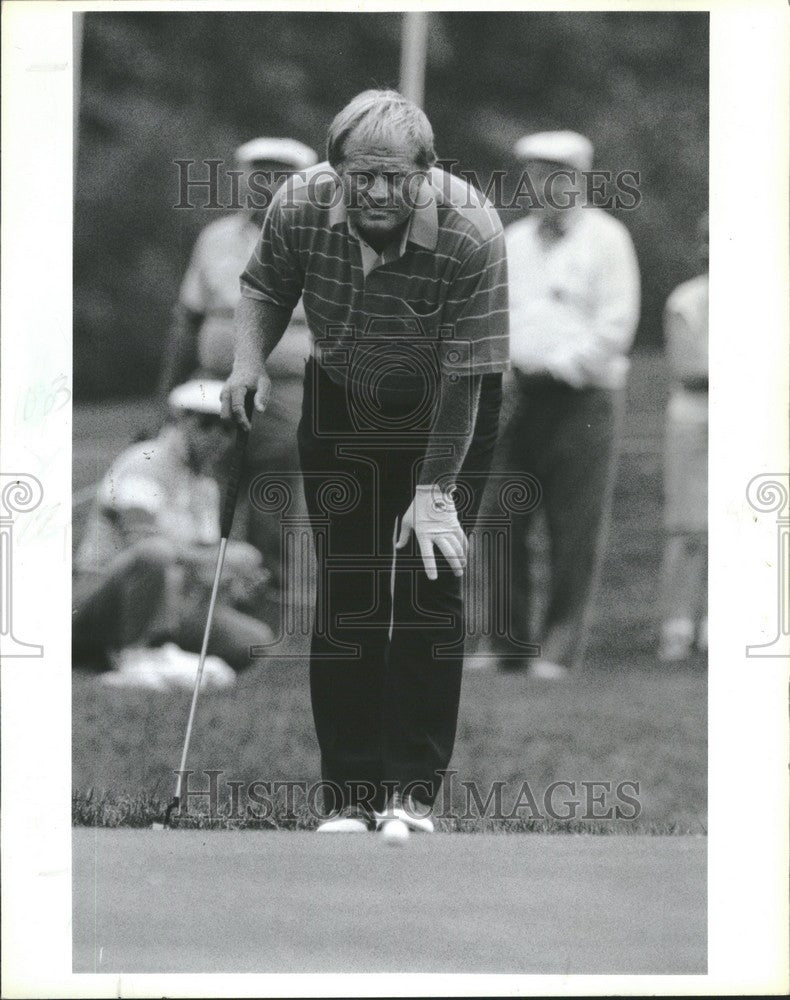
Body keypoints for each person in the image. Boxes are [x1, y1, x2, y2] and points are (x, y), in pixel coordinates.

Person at [222, 89, 509, 832]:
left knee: (427, 589)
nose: (377, 191)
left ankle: (409, 795)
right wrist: (247, 365)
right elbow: (264, 288)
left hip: (448, 405)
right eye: (360, 175)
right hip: (343, 397)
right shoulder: (298, 204)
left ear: (427, 169)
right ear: (334, 167)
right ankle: (349, 798)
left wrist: (435, 490)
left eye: (395, 176)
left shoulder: (472, 229)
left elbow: (466, 374)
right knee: (350, 595)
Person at [496, 130, 640, 680]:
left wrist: (556, 365)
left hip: (583, 396)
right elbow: (493, 315)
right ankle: (506, 644)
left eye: (555, 174)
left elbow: (616, 327)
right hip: (515, 395)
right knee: (500, 519)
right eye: (533, 173)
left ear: (578, 179)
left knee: (574, 525)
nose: (541, 184)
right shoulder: (513, 240)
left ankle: (558, 648)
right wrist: (508, 367)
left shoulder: (607, 238)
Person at [159, 137, 318, 586]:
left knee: (272, 497)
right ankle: (201, 602)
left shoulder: (321, 242)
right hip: (214, 380)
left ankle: (267, 601)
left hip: (283, 385)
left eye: (280, 174)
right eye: (259, 172)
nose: (268, 183)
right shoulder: (216, 237)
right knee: (205, 488)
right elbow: (187, 320)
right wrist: (167, 393)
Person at [73, 380, 272, 686]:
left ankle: (142, 653)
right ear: (179, 422)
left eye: (229, 429)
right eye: (207, 425)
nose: (218, 438)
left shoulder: (205, 487)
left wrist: (231, 580)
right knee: (156, 553)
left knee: (254, 640)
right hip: (101, 595)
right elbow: (143, 543)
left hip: (170, 602)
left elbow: (199, 570)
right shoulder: (144, 461)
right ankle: (135, 655)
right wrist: (224, 556)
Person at [658, 212, 708, 661]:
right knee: (687, 525)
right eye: (706, 239)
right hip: (695, 423)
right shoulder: (687, 300)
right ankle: (676, 625)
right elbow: (689, 370)